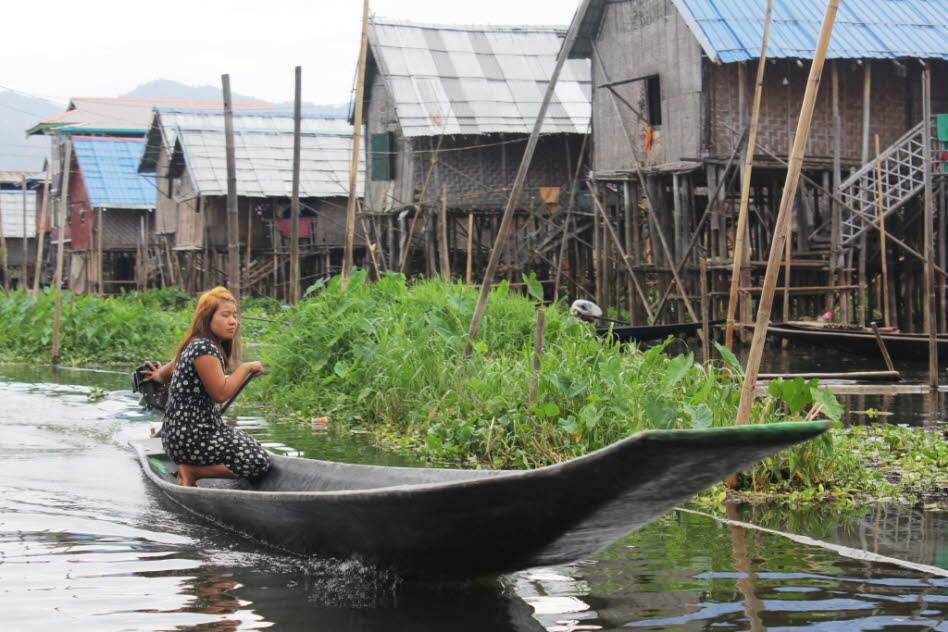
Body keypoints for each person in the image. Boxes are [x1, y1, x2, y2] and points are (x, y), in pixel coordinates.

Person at [142, 287, 270, 487]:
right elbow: (220, 393)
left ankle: (193, 467)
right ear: (207, 318)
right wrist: (245, 368)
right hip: (192, 436)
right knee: (257, 461)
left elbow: (170, 367)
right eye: (225, 315)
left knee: (251, 444)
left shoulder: (195, 343)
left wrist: (158, 375)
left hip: (183, 433)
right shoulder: (205, 348)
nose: (233, 321)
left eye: (235, 316)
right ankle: (192, 471)